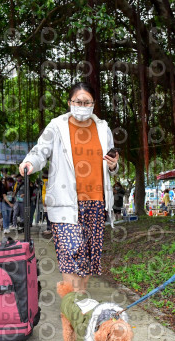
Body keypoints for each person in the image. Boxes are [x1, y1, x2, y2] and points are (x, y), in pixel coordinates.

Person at [19, 81, 120, 292]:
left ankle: (78, 303)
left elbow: (111, 163)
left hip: (96, 202)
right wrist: (30, 163)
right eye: (78, 102)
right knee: (71, 254)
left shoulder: (103, 128)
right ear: (69, 102)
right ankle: (76, 304)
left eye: (87, 102)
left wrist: (113, 166)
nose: (82, 106)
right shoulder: (56, 126)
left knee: (88, 260)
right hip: (65, 203)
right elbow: (40, 151)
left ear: (93, 104)